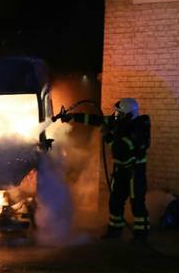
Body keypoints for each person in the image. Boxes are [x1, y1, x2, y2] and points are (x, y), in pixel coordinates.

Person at [56, 98, 150, 240]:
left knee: (137, 202)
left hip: (134, 171)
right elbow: (96, 120)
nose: (116, 116)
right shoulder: (120, 122)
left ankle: (141, 234)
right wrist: (72, 117)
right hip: (120, 170)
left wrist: (108, 137)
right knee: (115, 201)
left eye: (120, 114)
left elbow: (123, 149)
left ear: (129, 114)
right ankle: (114, 231)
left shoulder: (139, 128)